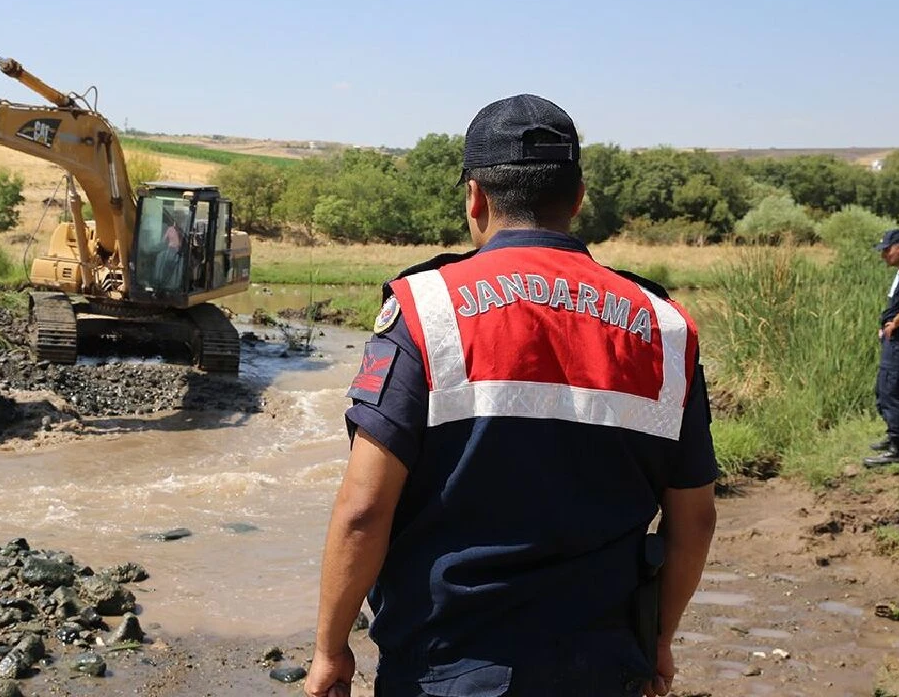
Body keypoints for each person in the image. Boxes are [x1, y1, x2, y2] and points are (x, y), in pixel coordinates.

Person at [305, 95, 718, 697]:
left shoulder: (427, 312)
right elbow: (696, 520)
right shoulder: (666, 328)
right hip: (604, 669)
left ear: (475, 198)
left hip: (446, 667)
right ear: (577, 199)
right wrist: (657, 641)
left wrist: (329, 649)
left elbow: (365, 509)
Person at [865, 228, 899, 466]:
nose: (883, 255)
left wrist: (896, 323)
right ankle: (895, 436)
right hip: (897, 341)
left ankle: (898, 449)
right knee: (886, 390)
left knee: (893, 390)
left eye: (886, 250)